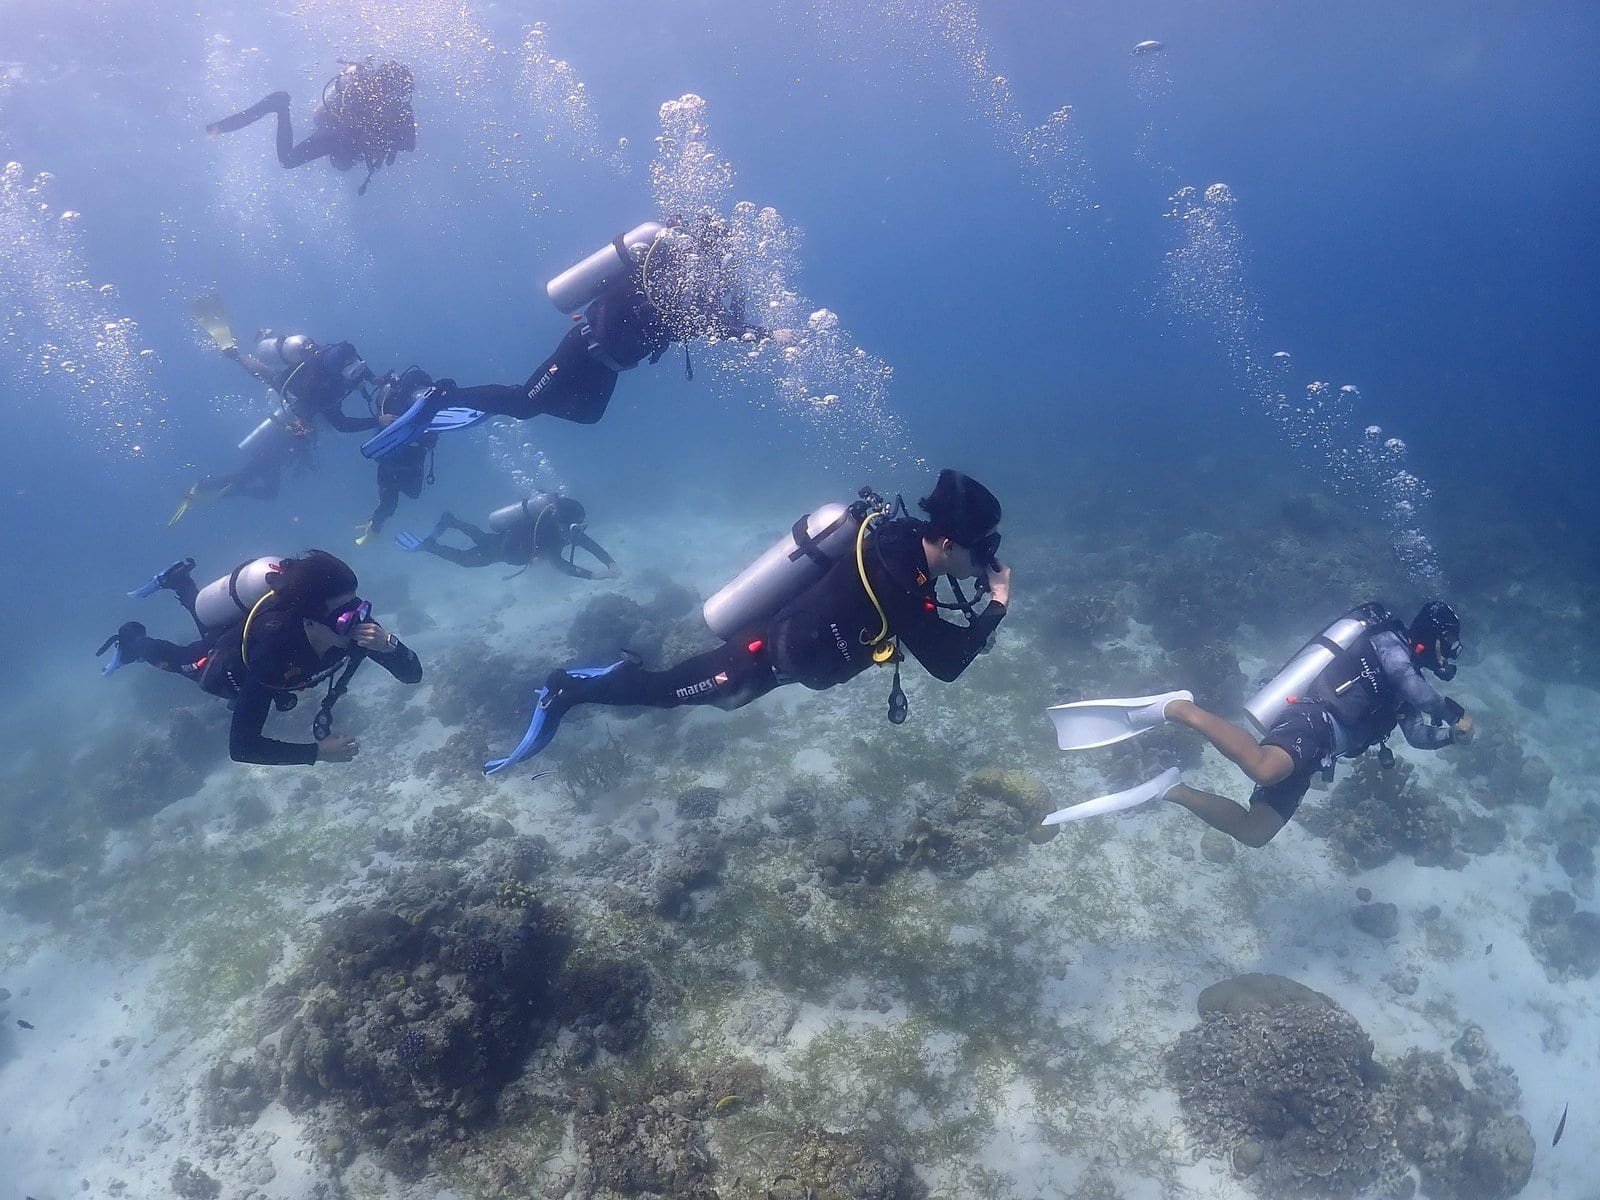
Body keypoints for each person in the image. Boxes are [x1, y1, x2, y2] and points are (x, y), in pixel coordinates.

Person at [482, 470, 1011, 772]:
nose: (983, 561)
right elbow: (947, 662)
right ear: (946, 542)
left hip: (778, 657)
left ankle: (616, 672)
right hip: (761, 652)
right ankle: (564, 690)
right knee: (666, 693)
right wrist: (998, 604)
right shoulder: (904, 579)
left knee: (704, 695)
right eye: (981, 550)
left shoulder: (902, 546)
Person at [361, 215, 793, 458]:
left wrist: (767, 335)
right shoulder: (659, 280)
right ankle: (442, 394)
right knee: (527, 405)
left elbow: (717, 326)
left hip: (609, 366)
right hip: (582, 349)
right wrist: (767, 334)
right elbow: (707, 322)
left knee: (588, 417)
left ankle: (484, 404)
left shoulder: (686, 297)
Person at [1073, 601, 1473, 847]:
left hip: (1319, 754)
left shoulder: (1408, 691)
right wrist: (1455, 714)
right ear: (1432, 637)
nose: (1449, 656)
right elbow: (1413, 685)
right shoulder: (1391, 645)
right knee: (1262, 764)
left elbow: (1418, 736)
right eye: (1450, 645)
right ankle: (1179, 709)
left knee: (1255, 832)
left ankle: (1171, 789)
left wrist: (1449, 738)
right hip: (1313, 718)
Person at [97, 551, 422, 765]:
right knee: (185, 659)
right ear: (310, 619)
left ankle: (180, 582)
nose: (360, 620)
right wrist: (316, 753)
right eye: (345, 615)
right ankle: (132, 645)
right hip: (229, 668)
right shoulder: (270, 655)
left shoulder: (358, 631)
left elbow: (412, 676)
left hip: (254, 639)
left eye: (361, 606)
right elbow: (242, 747)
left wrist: (390, 646)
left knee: (211, 631)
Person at [206, 58, 417, 195]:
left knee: (289, 160)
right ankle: (280, 107)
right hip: (338, 137)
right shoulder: (398, 109)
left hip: (338, 137)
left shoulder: (390, 104)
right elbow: (408, 145)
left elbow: (407, 145)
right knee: (287, 161)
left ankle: (277, 107)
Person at [397, 492, 618, 579]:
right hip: (503, 550)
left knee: (481, 537)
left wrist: (610, 563)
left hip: (503, 543)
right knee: (465, 560)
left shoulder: (568, 530)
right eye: (574, 529)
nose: (577, 535)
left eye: (579, 529)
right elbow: (562, 565)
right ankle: (429, 546)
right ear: (564, 523)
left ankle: (451, 521)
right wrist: (593, 575)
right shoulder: (549, 533)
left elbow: (591, 546)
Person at [355, 368, 439, 545]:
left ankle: (374, 524)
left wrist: (428, 438)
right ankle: (373, 529)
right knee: (389, 505)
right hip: (391, 461)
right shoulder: (392, 400)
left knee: (411, 495)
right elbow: (385, 425)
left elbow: (432, 432)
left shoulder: (425, 404)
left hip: (409, 459)